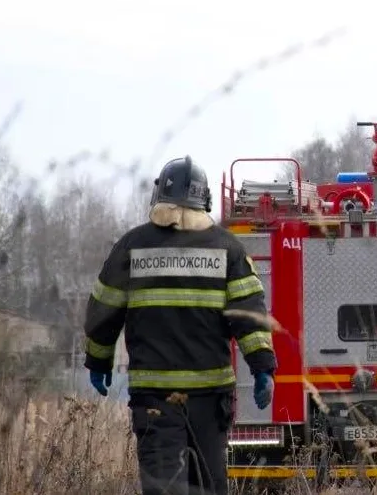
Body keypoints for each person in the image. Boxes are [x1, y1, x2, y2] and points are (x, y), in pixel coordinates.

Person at [81, 155, 277, 495]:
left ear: (160, 196)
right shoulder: (228, 249)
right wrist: (262, 367)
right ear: (205, 199)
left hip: (154, 399)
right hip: (210, 401)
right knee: (209, 486)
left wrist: (98, 361)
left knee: (164, 487)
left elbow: (103, 310)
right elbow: (249, 314)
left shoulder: (131, 246)